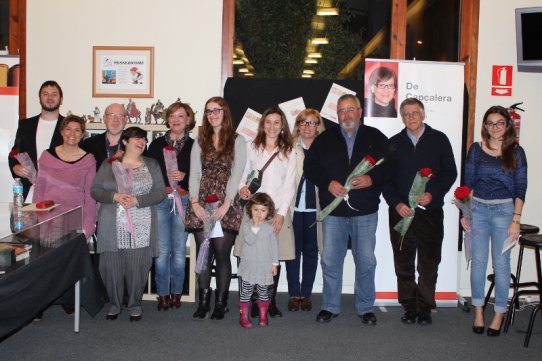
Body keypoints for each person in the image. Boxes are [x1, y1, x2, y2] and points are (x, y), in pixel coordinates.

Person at [304, 94, 390, 325]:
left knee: (366, 261)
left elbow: (391, 165)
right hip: (334, 212)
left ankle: (365, 307)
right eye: (342, 110)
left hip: (365, 211)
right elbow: (309, 166)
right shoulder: (325, 139)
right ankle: (330, 306)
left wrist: (373, 179)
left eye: (351, 109)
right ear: (337, 114)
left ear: (360, 112)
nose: (346, 115)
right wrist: (327, 183)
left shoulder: (376, 137)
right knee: (331, 260)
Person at [383, 98, 457, 325]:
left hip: (430, 212)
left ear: (423, 114)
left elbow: (449, 173)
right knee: (403, 261)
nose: (411, 117)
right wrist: (396, 203)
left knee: (428, 262)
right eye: (406, 114)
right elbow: (384, 179)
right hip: (401, 212)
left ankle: (424, 307)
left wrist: (433, 194)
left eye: (415, 113)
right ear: (401, 117)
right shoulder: (393, 143)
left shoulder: (439, 140)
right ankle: (409, 305)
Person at [463, 105, 527, 337]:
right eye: (490, 123)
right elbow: (467, 185)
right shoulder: (476, 150)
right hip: (478, 210)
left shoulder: (516, 152)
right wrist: (465, 214)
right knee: (478, 264)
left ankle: (499, 313)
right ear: (485, 126)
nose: (495, 127)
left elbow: (521, 187)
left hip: (504, 213)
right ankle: (479, 311)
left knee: (501, 266)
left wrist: (516, 220)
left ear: (507, 125)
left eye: (499, 123)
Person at [91, 127, 166, 322]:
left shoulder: (152, 164)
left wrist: (137, 201)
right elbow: (95, 190)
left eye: (144, 139)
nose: (142, 142)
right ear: (124, 141)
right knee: (110, 267)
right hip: (111, 225)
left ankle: (134, 304)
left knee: (138, 267)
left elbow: (160, 192)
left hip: (141, 226)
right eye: (137, 138)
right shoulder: (109, 164)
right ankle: (115, 304)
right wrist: (113, 196)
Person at [186, 96, 246, 320]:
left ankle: (221, 303)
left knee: (222, 254)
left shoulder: (238, 140)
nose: (213, 114)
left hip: (226, 203)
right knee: (204, 252)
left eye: (217, 110)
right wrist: (194, 203)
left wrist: (227, 203)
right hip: (201, 202)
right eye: (209, 111)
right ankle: (203, 302)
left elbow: (237, 173)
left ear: (225, 112)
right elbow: (194, 173)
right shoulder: (200, 140)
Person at [237, 106, 296, 318]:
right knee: (250, 255)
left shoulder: (289, 150)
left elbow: (289, 184)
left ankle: (268, 302)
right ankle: (251, 301)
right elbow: (242, 175)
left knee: (273, 257)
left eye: (276, 123)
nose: (272, 126)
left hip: (277, 212)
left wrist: (281, 213)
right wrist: (242, 188)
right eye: (268, 122)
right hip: (253, 209)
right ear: (262, 124)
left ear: (282, 127)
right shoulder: (251, 147)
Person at [147, 102, 195, 311]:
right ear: (167, 119)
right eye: (172, 116)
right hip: (160, 201)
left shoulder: (195, 146)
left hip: (183, 200)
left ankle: (177, 292)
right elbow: (147, 173)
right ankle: (162, 294)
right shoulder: (156, 145)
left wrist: (185, 177)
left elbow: (201, 177)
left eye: (181, 116)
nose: (176, 120)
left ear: (188, 120)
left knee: (178, 250)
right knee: (162, 250)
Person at [285, 109, 325, 312]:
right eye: (304, 122)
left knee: (311, 252)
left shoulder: (326, 148)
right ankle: (293, 294)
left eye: (312, 123)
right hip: (292, 208)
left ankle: (306, 294)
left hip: (314, 208)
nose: (308, 127)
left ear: (318, 126)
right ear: (298, 125)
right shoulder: (288, 147)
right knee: (292, 252)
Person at [33, 115, 97, 239]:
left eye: (77, 130)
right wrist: (37, 219)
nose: (72, 133)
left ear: (83, 134)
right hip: (48, 219)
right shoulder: (47, 156)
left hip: (74, 220)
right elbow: (39, 190)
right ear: (62, 132)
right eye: (68, 129)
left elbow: (90, 198)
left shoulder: (88, 160)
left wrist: (88, 227)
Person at [8, 80, 64, 200]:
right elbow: (14, 153)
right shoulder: (25, 125)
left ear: (61, 99)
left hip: (58, 195)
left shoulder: (69, 127)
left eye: (54, 94)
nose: (50, 98)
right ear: (39, 98)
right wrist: (15, 167)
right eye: (45, 94)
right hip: (29, 193)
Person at [237, 193, 279, 328]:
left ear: (269, 211)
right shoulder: (247, 225)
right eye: (256, 210)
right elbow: (249, 240)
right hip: (249, 266)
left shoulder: (270, 227)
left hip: (264, 266)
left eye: (263, 211)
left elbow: (274, 246)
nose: (259, 214)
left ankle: (263, 315)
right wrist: (255, 225)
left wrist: (274, 263)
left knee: (263, 292)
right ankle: (243, 316)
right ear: (250, 209)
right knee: (246, 292)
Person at [82, 103, 128, 171]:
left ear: (126, 119)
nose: (115, 119)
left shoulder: (136, 144)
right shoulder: (89, 144)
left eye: (120, 115)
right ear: (104, 119)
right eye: (111, 115)